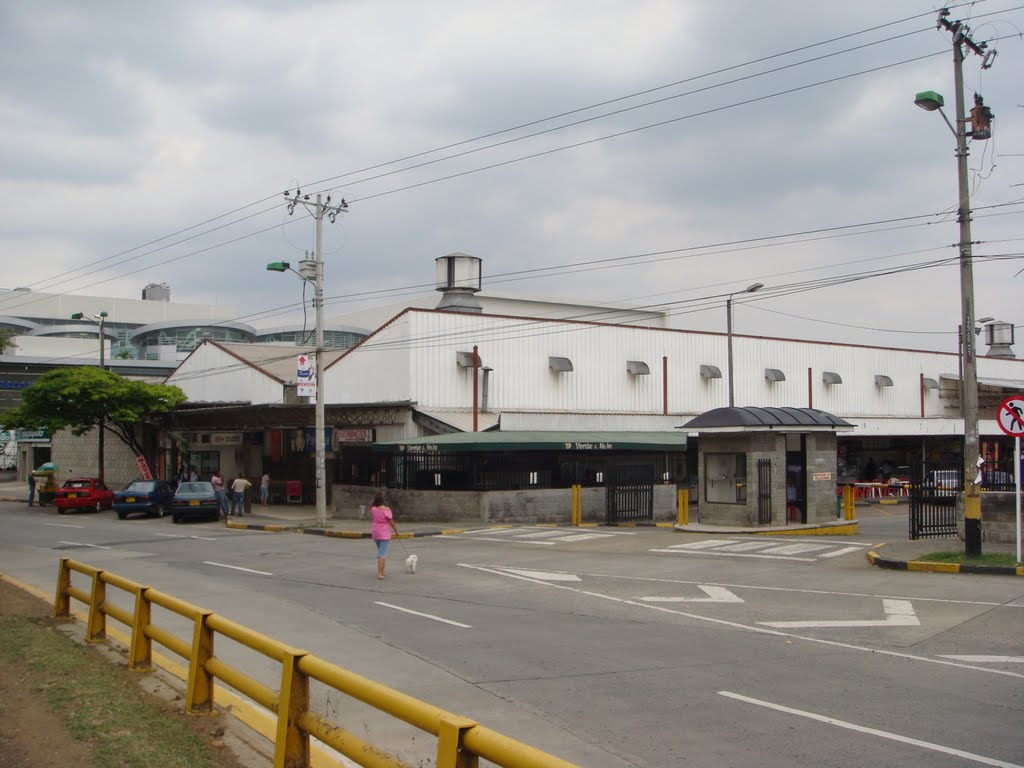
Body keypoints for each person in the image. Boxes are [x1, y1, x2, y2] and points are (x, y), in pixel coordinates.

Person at [370, 490, 399, 580]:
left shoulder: (373, 508)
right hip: (384, 533)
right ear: (383, 500)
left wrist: (377, 496)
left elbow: (373, 502)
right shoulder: (387, 510)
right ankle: (380, 574)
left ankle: (382, 571)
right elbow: (391, 522)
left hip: (375, 532)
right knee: (382, 553)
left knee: (381, 552)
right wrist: (396, 531)